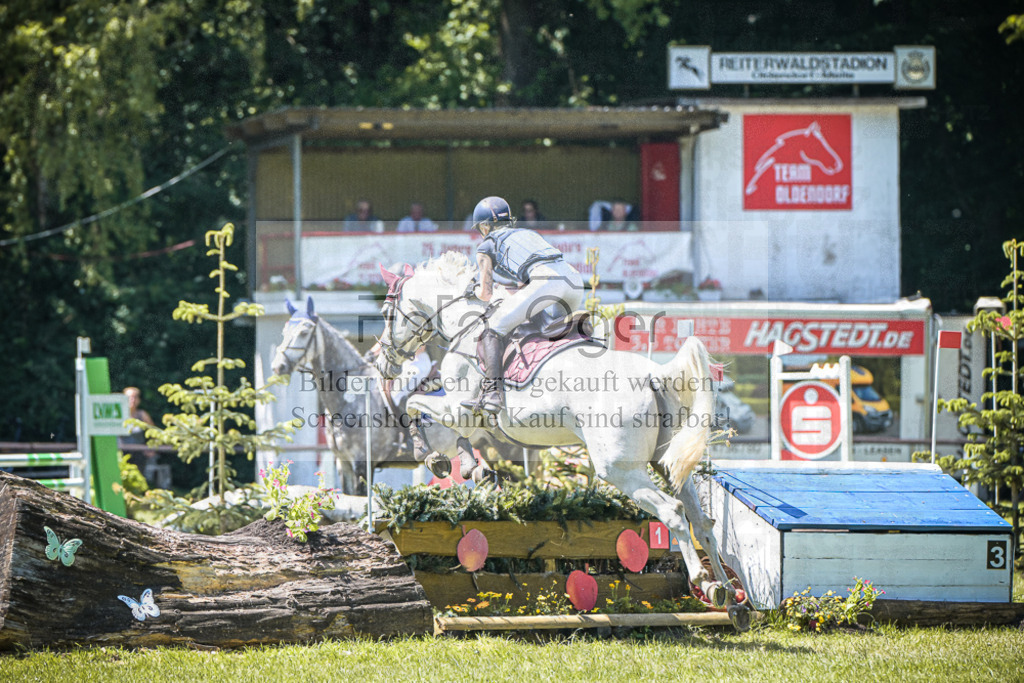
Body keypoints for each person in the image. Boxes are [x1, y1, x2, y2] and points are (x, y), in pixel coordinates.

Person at [465, 196, 584, 414]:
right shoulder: (528, 233)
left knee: (493, 328)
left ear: (484, 226)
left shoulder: (486, 246)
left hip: (546, 282)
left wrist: (471, 290)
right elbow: (524, 284)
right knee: (550, 328)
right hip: (574, 280)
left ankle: (493, 392)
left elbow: (485, 293)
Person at [119, 386, 156, 468]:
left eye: (134, 397)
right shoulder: (118, 415)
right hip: (121, 453)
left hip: (138, 455)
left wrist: (152, 449)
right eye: (129, 397)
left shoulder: (142, 415)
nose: (132, 400)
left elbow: (155, 433)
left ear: (139, 400)